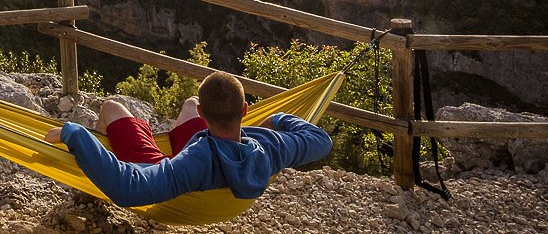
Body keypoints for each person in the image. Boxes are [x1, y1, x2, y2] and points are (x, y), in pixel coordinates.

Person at [43, 71, 332, 207]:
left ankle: (92, 190)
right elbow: (320, 140)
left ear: (206, 115)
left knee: (111, 108)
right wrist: (278, 118)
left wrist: (76, 134)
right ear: (244, 111)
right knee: (189, 102)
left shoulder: (193, 162)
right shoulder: (271, 147)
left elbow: (127, 188)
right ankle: (217, 120)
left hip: (172, 170)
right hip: (216, 153)